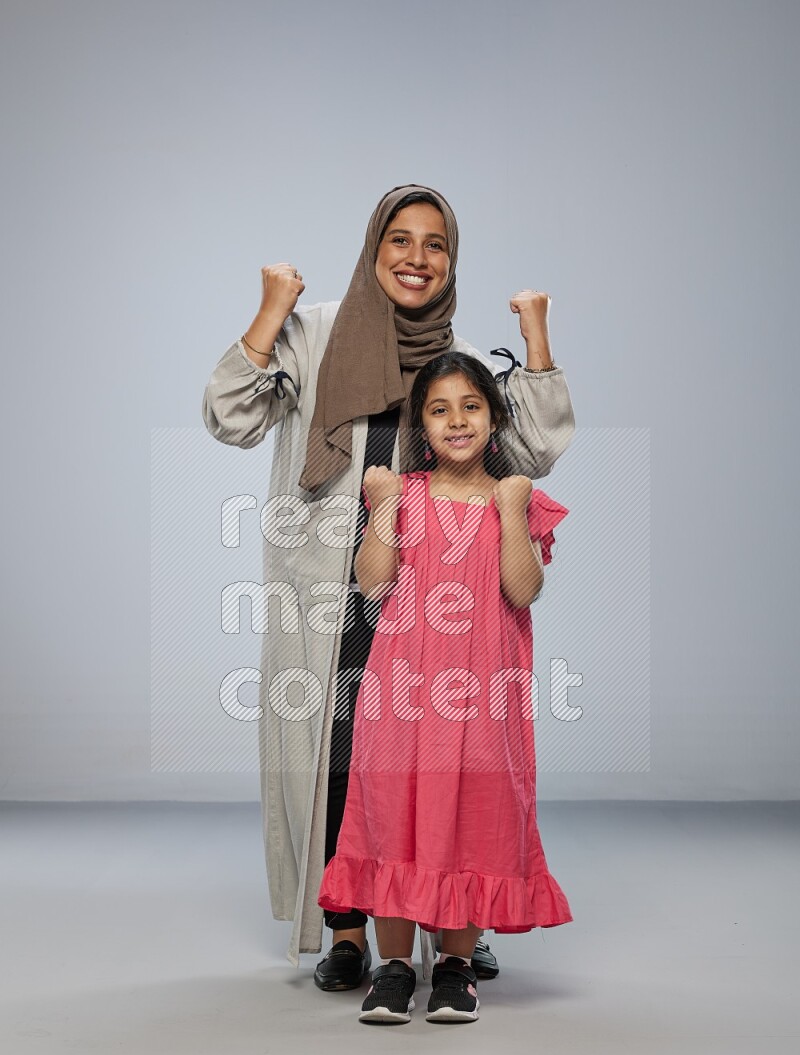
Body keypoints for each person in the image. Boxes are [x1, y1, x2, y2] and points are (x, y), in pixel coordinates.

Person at [201, 184, 575, 980]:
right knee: (335, 755)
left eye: (434, 244)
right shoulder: (314, 335)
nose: (416, 258)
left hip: (432, 602)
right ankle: (345, 932)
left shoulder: (454, 358)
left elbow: (534, 452)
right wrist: (270, 310)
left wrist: (536, 345)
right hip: (327, 587)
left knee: (436, 761)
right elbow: (231, 416)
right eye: (399, 240)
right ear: (374, 249)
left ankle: (451, 924)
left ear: (451, 261)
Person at [317, 351, 572, 1023]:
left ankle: (457, 965)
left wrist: (513, 511)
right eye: (439, 410)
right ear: (420, 427)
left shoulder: (518, 497)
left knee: (474, 814)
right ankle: (395, 966)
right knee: (394, 812)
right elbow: (373, 581)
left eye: (470, 406)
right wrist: (382, 506)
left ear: (494, 417)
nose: (456, 421)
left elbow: (523, 589)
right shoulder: (407, 494)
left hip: (485, 698)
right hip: (403, 692)